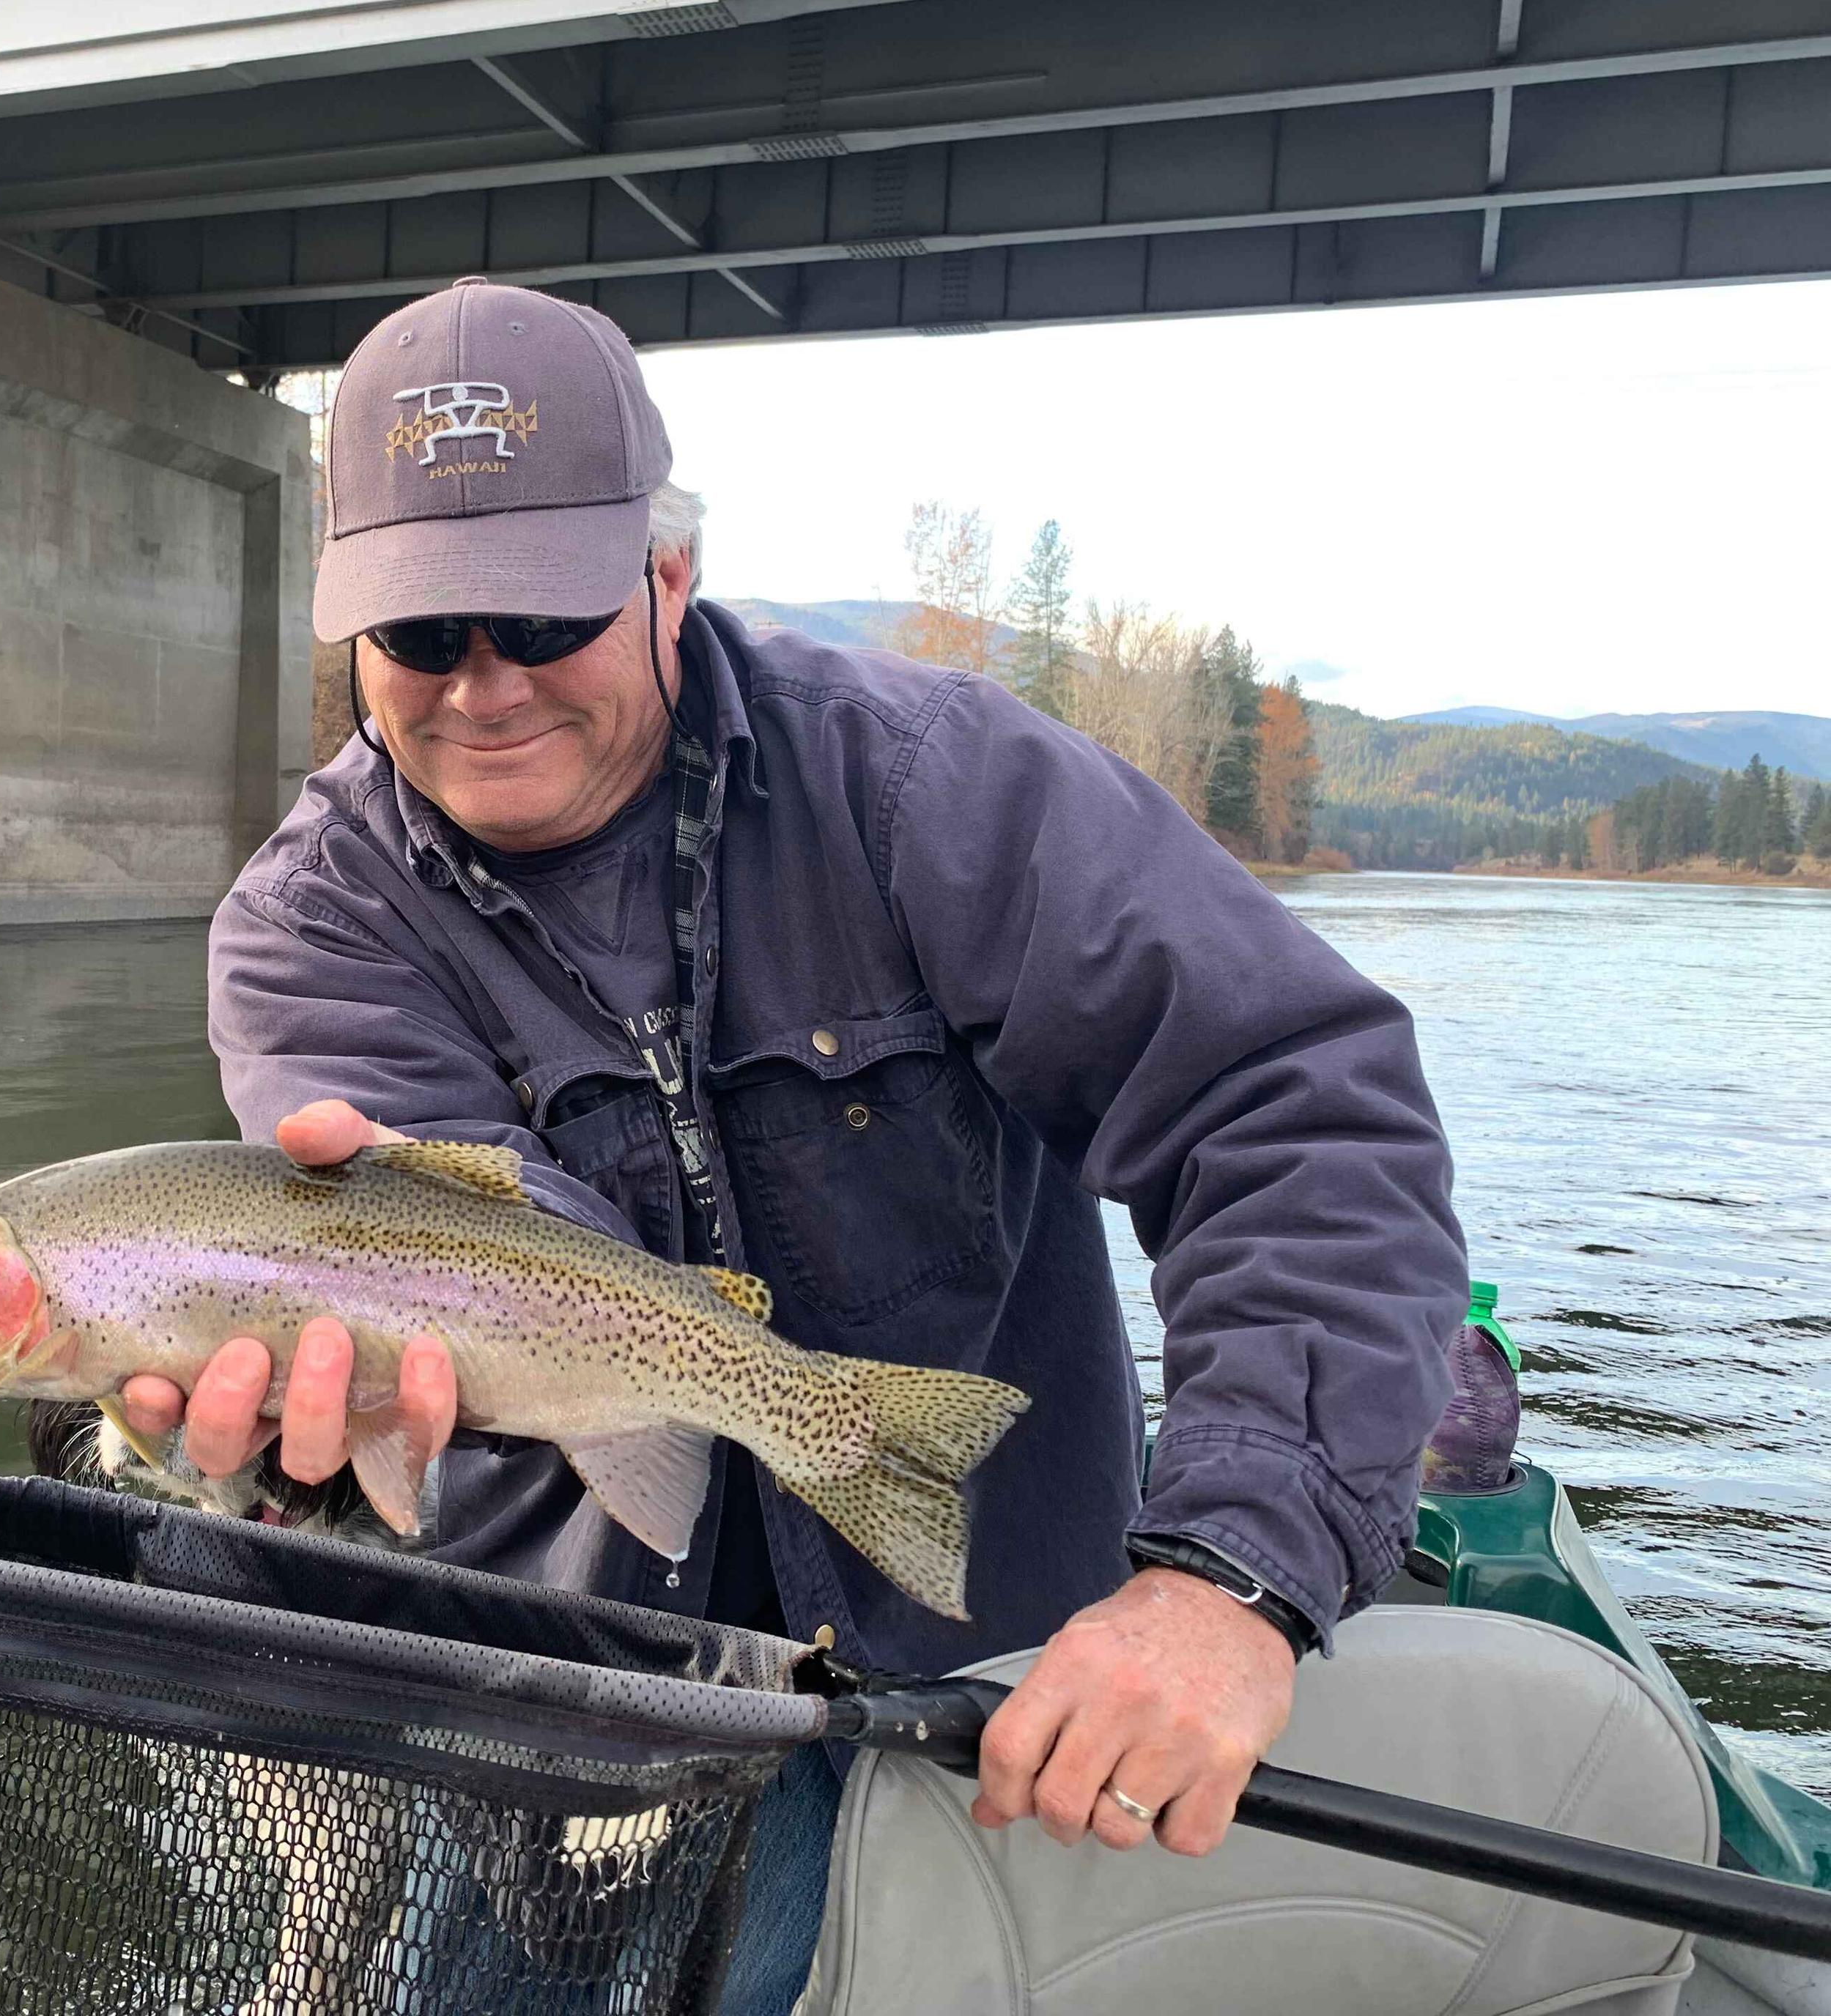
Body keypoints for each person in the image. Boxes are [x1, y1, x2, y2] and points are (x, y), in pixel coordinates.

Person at [121, 278, 1465, 2006]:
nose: (480, 688)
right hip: (564, 1706)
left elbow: (1296, 1107)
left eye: (540, 621)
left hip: (994, 1681)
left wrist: (1231, 1571)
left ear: (669, 575)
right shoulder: (314, 926)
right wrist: (316, 1420)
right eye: (422, 633)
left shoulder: (932, 790)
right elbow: (495, 1275)